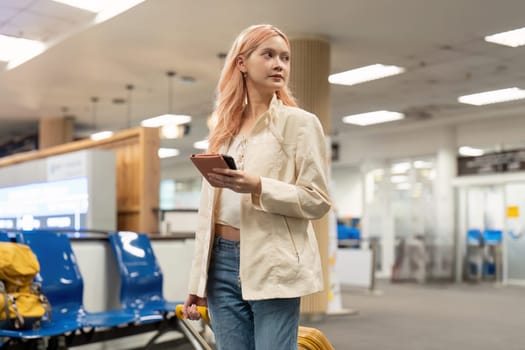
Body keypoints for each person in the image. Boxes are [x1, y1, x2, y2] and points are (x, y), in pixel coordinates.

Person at [183, 24, 332, 350]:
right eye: (268, 55)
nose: (279, 64)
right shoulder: (222, 129)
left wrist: (258, 186)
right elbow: (208, 212)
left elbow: (318, 200)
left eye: (285, 58)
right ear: (241, 63)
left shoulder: (301, 124)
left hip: (273, 260)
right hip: (220, 262)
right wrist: (199, 280)